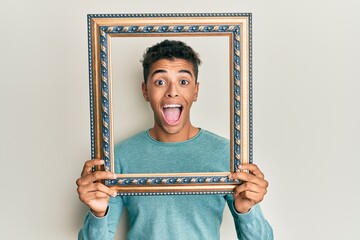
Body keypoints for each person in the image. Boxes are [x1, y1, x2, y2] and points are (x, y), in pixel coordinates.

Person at [77, 40, 273, 239]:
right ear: (145, 91)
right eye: (160, 82)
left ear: (195, 91)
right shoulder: (118, 157)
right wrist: (98, 214)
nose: (172, 91)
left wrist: (246, 211)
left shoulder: (227, 154)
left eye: (183, 81)